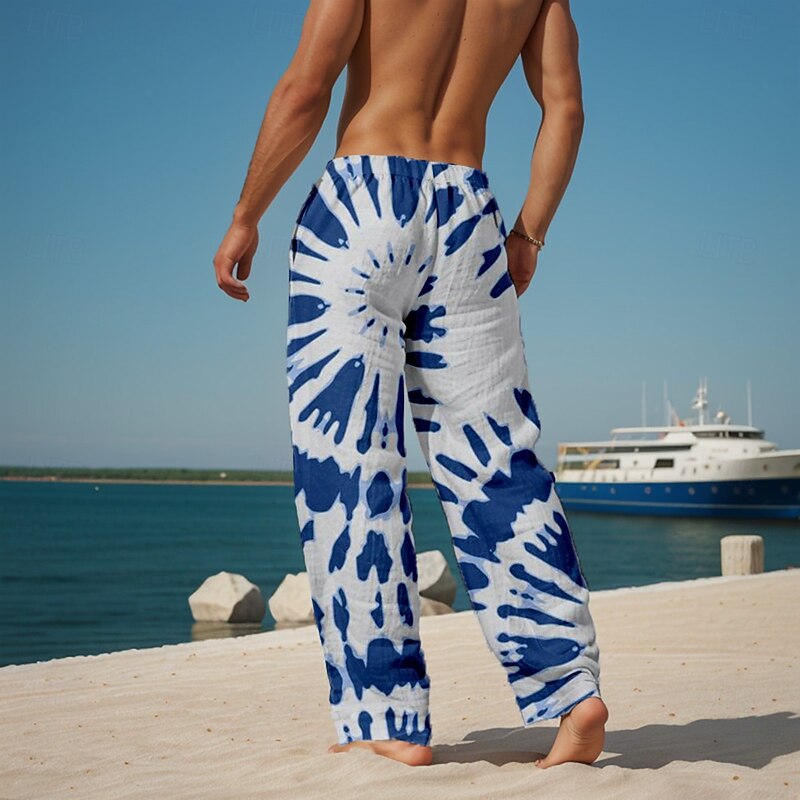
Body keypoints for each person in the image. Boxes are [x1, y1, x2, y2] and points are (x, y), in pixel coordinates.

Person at [213, 0, 609, 769]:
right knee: (499, 462)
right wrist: (529, 231)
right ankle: (572, 690)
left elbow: (307, 86)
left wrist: (245, 213)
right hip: (467, 214)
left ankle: (386, 714)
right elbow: (565, 108)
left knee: (350, 467)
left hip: (359, 205)